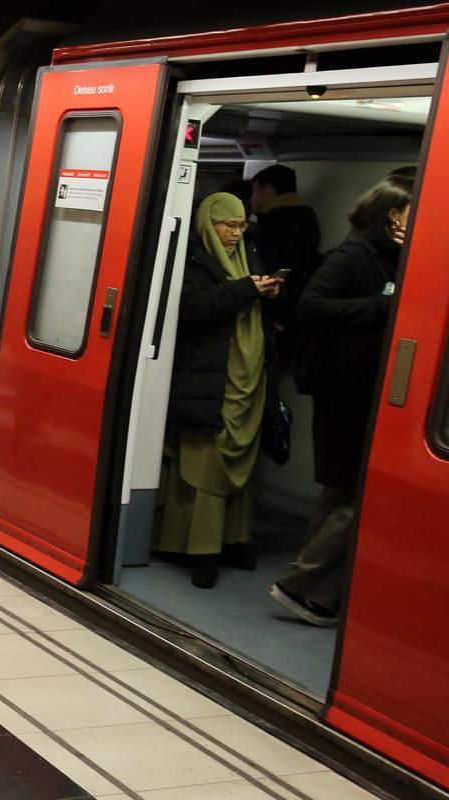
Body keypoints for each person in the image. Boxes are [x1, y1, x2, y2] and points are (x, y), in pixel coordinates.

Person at [271, 174, 413, 626]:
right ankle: (299, 583)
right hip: (344, 389)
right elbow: (310, 306)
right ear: (393, 213)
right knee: (354, 492)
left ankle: (317, 593)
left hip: (360, 387)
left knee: (342, 493)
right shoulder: (353, 257)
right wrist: (379, 307)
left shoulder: (393, 257)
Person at [157, 192, 282, 589]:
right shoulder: (192, 258)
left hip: (250, 375)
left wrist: (274, 292)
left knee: (240, 461)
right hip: (209, 376)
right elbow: (191, 309)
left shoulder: (249, 253)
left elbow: (258, 301)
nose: (236, 233)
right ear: (208, 224)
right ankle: (198, 548)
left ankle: (230, 540)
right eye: (228, 225)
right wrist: (246, 289)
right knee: (205, 462)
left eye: (242, 225)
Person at [250, 165, 322, 363]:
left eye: (254, 191)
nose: (251, 199)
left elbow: (269, 270)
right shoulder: (306, 219)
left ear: (267, 190)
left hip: (277, 314)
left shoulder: (272, 225)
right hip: (300, 312)